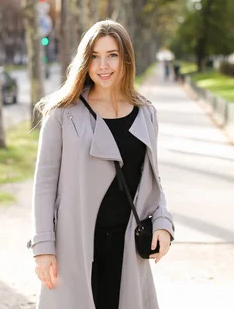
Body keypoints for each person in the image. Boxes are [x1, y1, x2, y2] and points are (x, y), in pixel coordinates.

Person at [28, 20, 174, 309]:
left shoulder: (146, 113)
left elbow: (152, 183)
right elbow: (44, 184)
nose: (103, 65)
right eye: (94, 56)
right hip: (75, 247)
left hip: (127, 249)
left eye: (112, 55)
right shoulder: (62, 114)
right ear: (85, 61)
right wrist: (42, 247)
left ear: (126, 59)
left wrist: (163, 223)